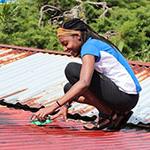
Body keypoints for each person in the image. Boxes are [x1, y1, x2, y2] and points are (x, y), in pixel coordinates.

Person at [31, 18, 141, 130]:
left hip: (125, 97)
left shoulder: (89, 46)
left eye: (66, 43)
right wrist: (65, 106)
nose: (65, 49)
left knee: (72, 69)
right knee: (69, 88)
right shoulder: (93, 44)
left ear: (78, 36)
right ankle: (118, 114)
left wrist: (52, 107)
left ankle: (107, 115)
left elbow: (84, 82)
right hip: (125, 98)